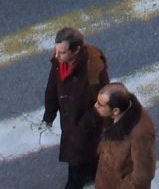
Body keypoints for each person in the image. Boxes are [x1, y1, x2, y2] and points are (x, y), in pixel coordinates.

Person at [42, 27, 109, 189]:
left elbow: (104, 102)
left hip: (86, 128)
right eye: (56, 51)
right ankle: (95, 171)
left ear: (77, 50)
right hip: (70, 122)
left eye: (62, 52)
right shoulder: (60, 61)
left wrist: (82, 128)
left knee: (75, 171)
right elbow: (52, 87)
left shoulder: (94, 70)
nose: (56, 56)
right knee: (90, 156)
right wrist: (49, 115)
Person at [94, 83, 156, 189]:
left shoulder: (141, 134)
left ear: (116, 111)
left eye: (100, 105)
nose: (95, 106)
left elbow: (143, 175)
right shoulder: (116, 112)